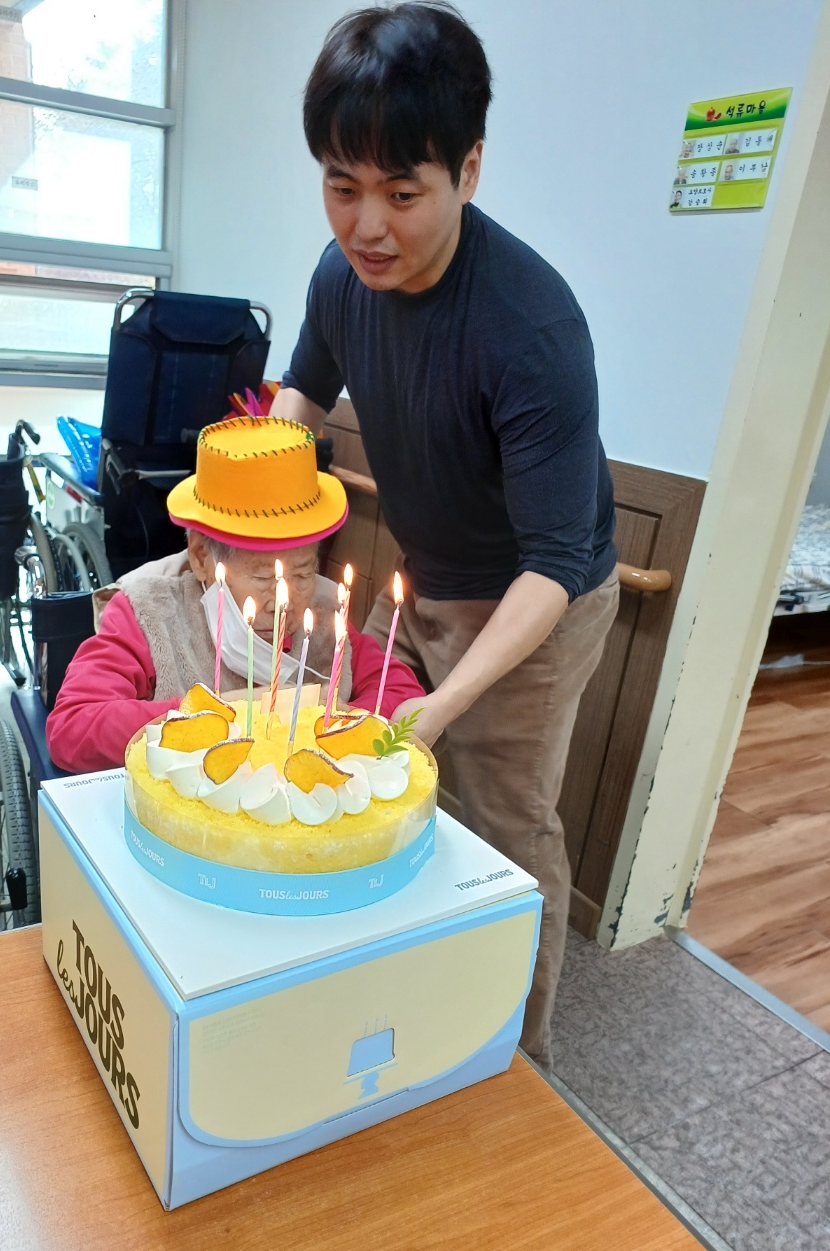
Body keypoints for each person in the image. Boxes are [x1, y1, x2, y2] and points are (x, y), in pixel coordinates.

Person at [270, 3, 619, 1068]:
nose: (366, 226)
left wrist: (444, 705)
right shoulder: (341, 277)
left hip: (536, 604)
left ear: (467, 169)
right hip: (425, 580)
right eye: (342, 187)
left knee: (509, 827)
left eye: (401, 193)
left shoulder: (532, 327)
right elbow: (301, 393)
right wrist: (259, 509)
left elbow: (555, 565)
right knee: (387, 786)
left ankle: (521, 1061)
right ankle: (403, 1002)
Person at [46, 431, 424, 773]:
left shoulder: (324, 615)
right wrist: (231, 712)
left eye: (303, 573)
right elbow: (72, 728)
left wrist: (330, 724)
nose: (284, 602)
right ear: (201, 557)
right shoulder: (148, 614)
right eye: (263, 577)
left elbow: (400, 693)